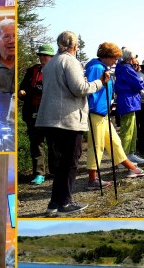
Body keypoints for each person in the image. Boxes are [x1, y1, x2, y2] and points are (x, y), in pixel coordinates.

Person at [35, 31, 110, 216]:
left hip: (49, 118)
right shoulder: (71, 61)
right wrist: (100, 82)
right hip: (67, 119)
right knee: (70, 162)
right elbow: (79, 89)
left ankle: (54, 203)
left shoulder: (50, 63)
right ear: (75, 46)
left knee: (60, 164)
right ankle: (65, 204)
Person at [85, 43, 144, 191]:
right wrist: (95, 108)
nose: (116, 61)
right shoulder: (96, 68)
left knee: (115, 142)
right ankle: (92, 179)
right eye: (114, 58)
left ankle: (132, 168)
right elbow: (91, 90)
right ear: (107, 56)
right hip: (96, 113)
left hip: (103, 113)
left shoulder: (102, 67)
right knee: (97, 146)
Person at [18, 44, 57, 185]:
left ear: (52, 57)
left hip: (51, 112)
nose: (41, 57)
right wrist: (21, 92)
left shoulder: (57, 71)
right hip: (32, 111)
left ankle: (55, 170)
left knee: (53, 142)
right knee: (36, 143)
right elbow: (22, 88)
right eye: (40, 55)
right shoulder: (32, 71)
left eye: (45, 55)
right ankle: (39, 173)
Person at [115, 48, 144, 164]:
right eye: (133, 57)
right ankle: (124, 159)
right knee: (127, 130)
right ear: (129, 58)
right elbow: (138, 84)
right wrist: (139, 79)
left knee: (132, 129)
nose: (135, 60)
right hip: (128, 100)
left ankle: (130, 154)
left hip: (129, 100)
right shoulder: (127, 69)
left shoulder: (123, 68)